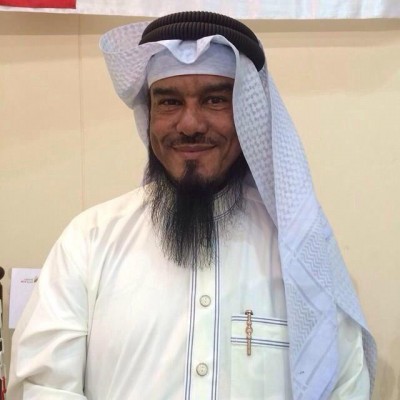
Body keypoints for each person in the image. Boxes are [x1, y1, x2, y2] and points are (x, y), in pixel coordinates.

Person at [7, 11, 376, 400]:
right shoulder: (89, 241)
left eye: (215, 100)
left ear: (247, 112)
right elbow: (44, 387)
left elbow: (344, 386)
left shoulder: (302, 253)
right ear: (149, 116)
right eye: (170, 102)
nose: (190, 124)